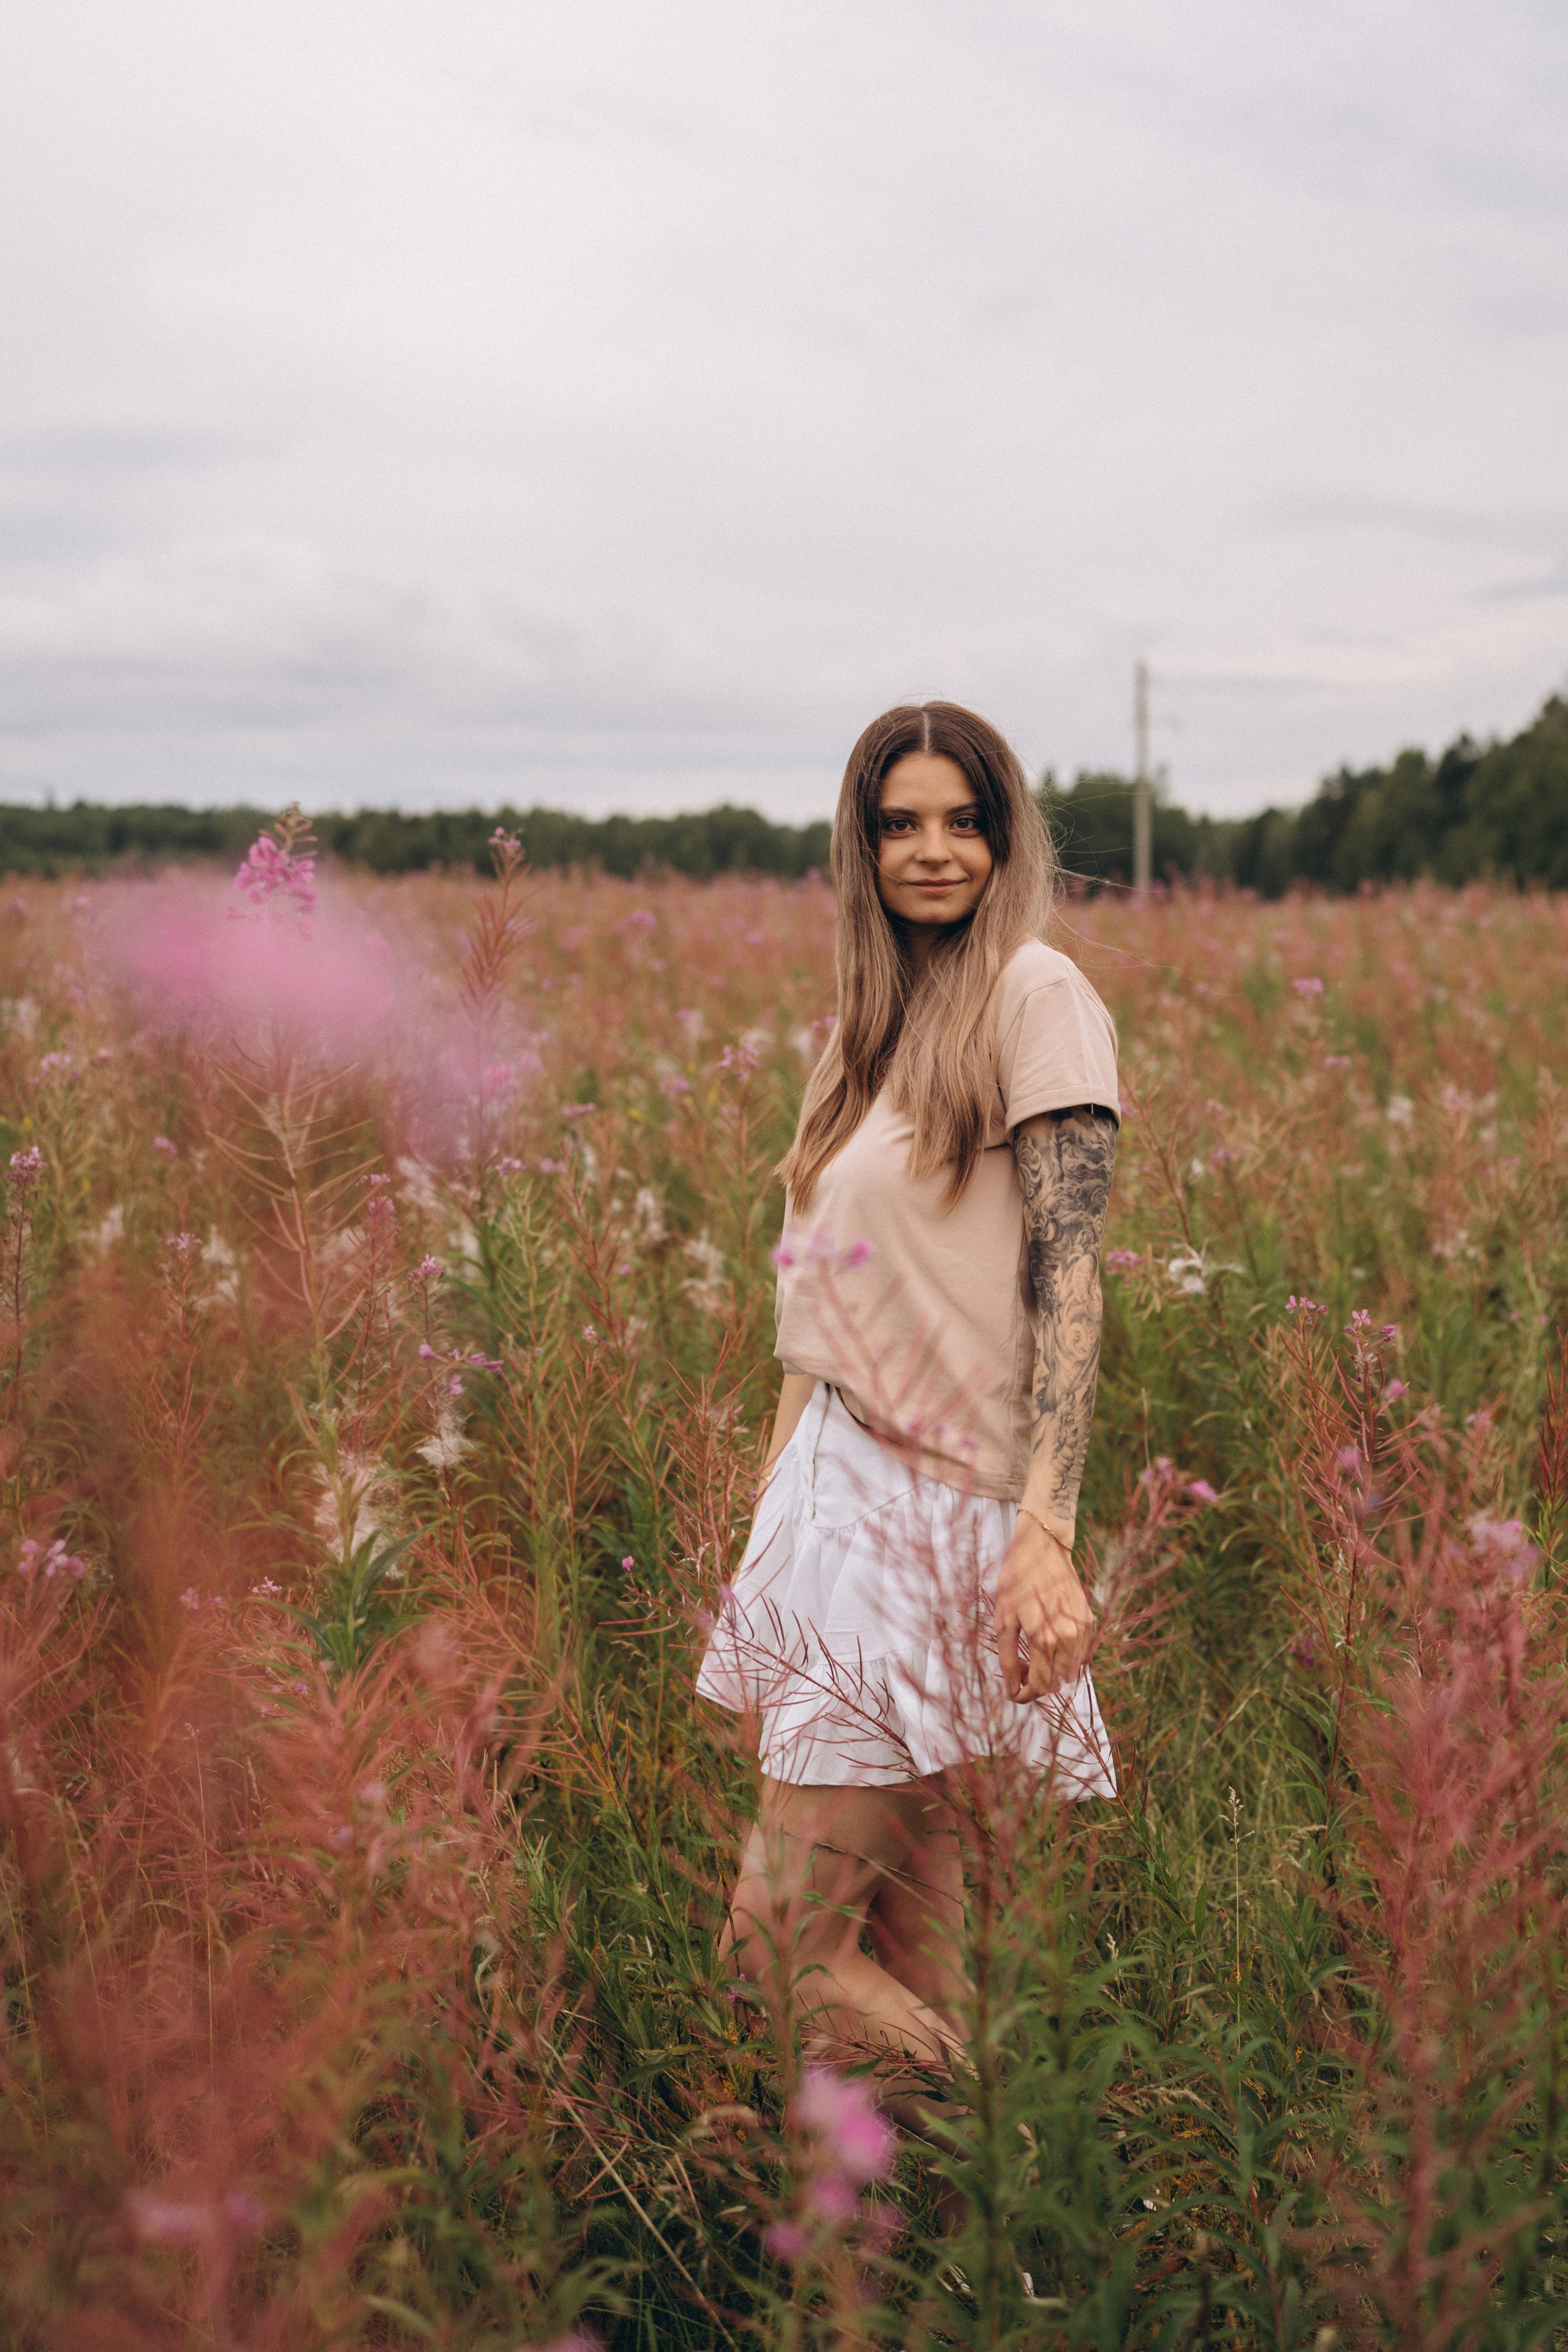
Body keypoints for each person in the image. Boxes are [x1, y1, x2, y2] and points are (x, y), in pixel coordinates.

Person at [696, 700, 1120, 2122]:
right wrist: (764, 1563)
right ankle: (989, 2224)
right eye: (899, 823)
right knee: (912, 1959)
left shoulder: (1032, 992)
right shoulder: (861, 1035)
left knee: (774, 1959)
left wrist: (1044, 1532)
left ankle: (1029, 2161)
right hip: (832, 1505)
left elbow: (1071, 1281)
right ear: (860, 845)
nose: (931, 850)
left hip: (945, 1522)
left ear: (1002, 835)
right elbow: (806, 1337)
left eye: (960, 819)